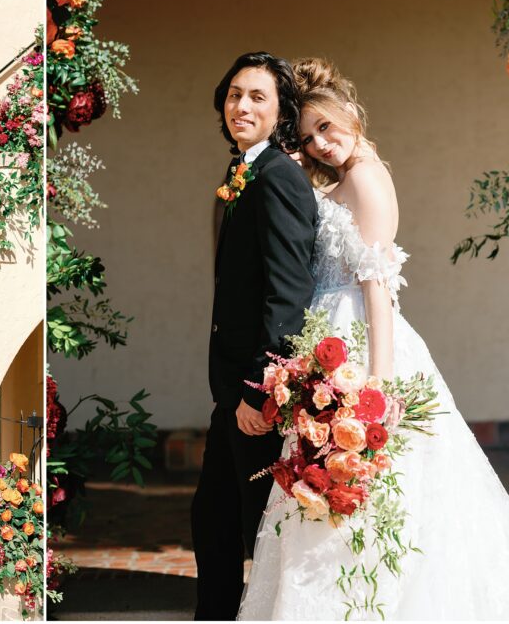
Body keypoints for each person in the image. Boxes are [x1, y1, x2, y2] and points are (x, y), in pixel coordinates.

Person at [238, 58, 509, 620]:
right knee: (326, 479)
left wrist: (378, 385)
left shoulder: (367, 179)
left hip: (361, 341)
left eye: (326, 128)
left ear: (350, 111)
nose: (322, 145)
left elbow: (377, 287)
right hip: (329, 336)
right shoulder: (344, 178)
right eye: (310, 138)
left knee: (367, 483)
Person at [192, 52, 318, 620]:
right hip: (232, 388)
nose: (241, 105)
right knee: (212, 516)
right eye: (234, 93)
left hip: (255, 392)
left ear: (281, 112)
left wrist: (257, 391)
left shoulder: (279, 178)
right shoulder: (244, 170)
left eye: (257, 97)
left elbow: (288, 294)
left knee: (256, 527)